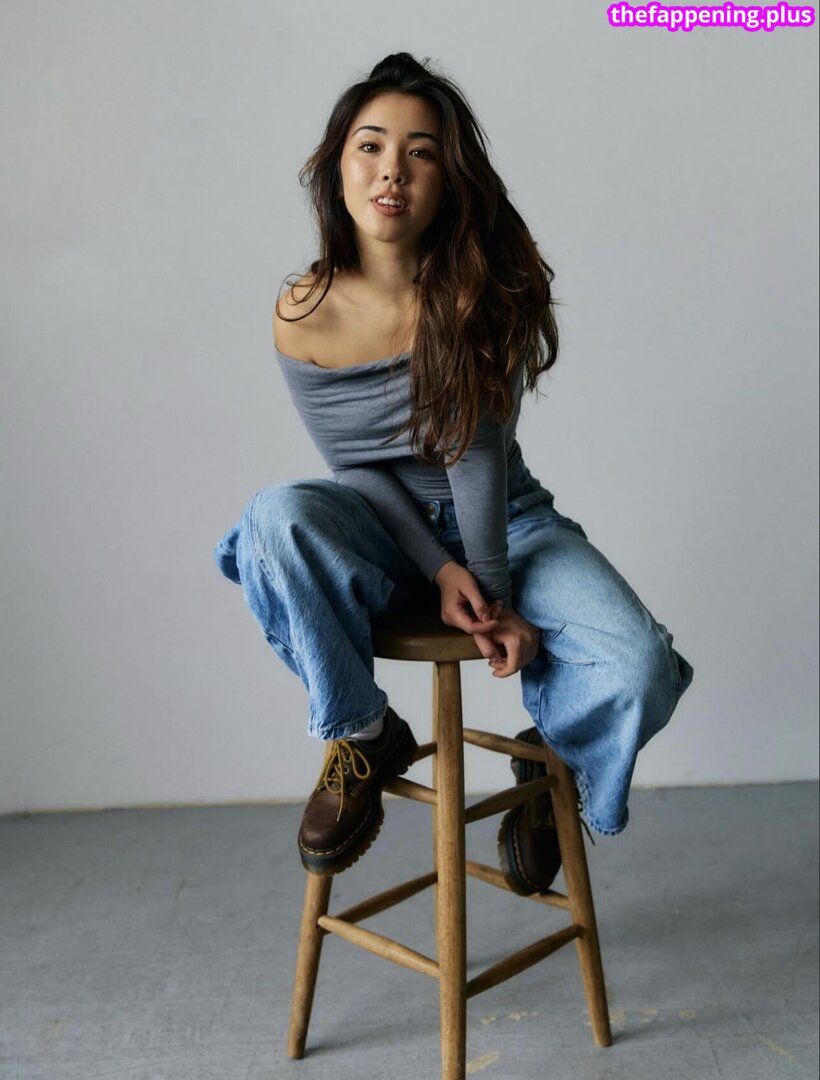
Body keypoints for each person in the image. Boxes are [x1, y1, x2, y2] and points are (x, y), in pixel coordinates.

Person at [213, 52, 693, 890]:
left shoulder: (481, 290)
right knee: (273, 518)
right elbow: (357, 468)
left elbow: (474, 457)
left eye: (421, 152)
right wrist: (438, 570)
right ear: (336, 166)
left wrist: (490, 594)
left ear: (448, 179)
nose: (392, 170)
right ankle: (363, 736)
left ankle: (553, 758)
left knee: (638, 668)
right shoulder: (304, 313)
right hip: (385, 532)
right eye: (370, 145)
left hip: (507, 521)